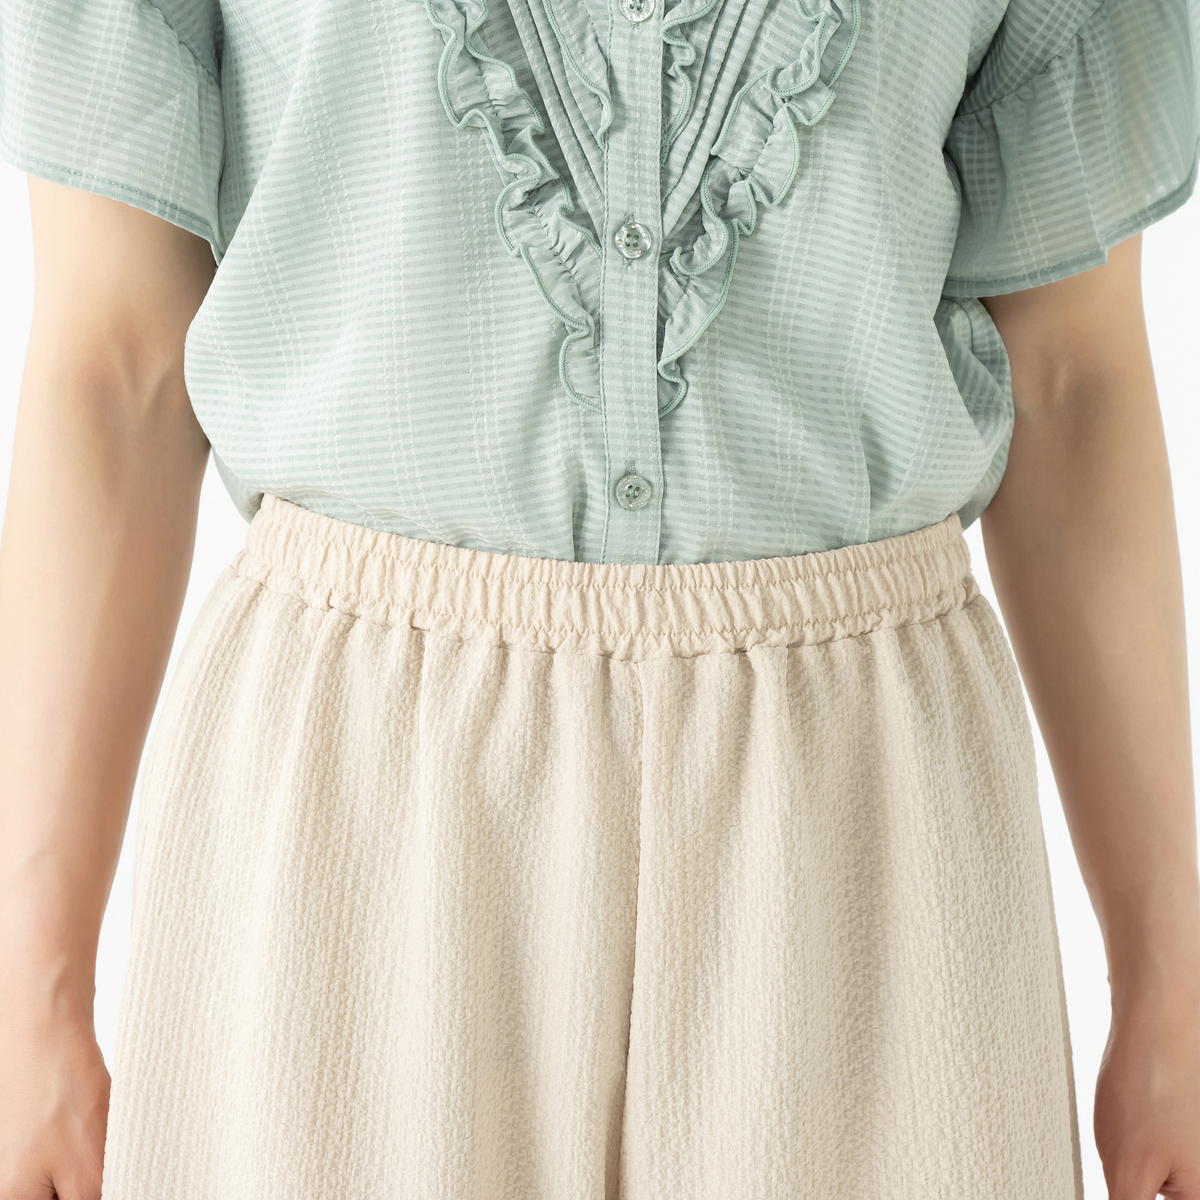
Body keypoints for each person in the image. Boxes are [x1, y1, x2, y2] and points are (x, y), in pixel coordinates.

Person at [0, 0, 1198, 1196]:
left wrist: (1168, 978)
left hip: (863, 806)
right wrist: (31, 985)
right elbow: (118, 365)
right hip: (357, 790)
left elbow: (1071, 380)